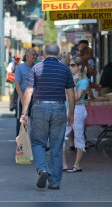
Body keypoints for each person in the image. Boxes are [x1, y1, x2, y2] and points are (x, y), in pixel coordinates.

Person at [20, 43, 75, 190]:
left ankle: (42, 169)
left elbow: (28, 92)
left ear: (44, 54)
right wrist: (71, 113)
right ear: (58, 54)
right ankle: (55, 182)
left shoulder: (36, 68)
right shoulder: (65, 69)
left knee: (38, 142)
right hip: (59, 107)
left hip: (40, 107)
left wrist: (24, 112)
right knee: (57, 146)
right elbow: (71, 93)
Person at [63, 56, 94, 173]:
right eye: (70, 65)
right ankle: (63, 164)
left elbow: (75, 98)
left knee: (79, 137)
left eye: (73, 65)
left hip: (78, 109)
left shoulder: (84, 81)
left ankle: (77, 165)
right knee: (61, 135)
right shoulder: (69, 78)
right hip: (67, 109)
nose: (70, 67)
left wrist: (74, 84)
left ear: (79, 67)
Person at [14, 48, 37, 136]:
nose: (35, 56)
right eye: (33, 55)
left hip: (35, 99)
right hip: (23, 97)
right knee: (22, 120)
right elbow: (17, 84)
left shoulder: (37, 67)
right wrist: (22, 98)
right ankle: (21, 142)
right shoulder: (20, 68)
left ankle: (35, 141)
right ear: (27, 56)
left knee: (36, 121)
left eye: (35, 55)